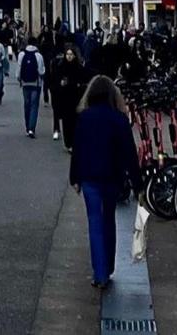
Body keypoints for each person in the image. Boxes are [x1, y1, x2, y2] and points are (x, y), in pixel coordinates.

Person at [66, 76, 139, 291]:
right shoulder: (119, 118)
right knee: (109, 219)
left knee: (95, 222)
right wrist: (138, 183)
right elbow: (129, 152)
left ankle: (99, 273)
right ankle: (108, 266)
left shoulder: (84, 117)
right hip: (112, 175)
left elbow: (78, 148)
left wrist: (74, 177)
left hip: (89, 176)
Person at [46, 46, 87, 146]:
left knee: (74, 120)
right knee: (66, 121)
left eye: (71, 54)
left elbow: (83, 80)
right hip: (64, 97)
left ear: (74, 56)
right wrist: (59, 85)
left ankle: (73, 141)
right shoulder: (61, 66)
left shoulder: (79, 67)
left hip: (75, 97)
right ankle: (67, 142)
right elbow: (55, 79)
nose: (69, 56)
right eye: (67, 54)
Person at [17, 42, 47, 138]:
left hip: (25, 83)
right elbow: (41, 71)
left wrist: (19, 79)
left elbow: (19, 69)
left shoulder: (22, 54)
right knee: (34, 106)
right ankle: (31, 128)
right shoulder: (39, 56)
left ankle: (27, 127)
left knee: (27, 105)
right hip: (36, 83)